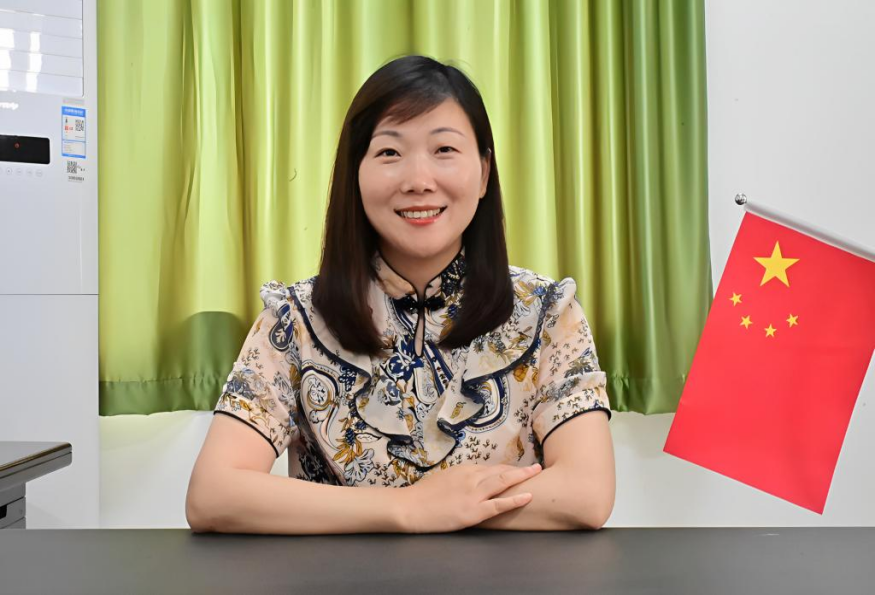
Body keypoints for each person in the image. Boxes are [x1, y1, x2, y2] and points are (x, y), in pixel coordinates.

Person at [186, 55, 615, 535]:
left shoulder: (547, 313)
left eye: (444, 149)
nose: (418, 181)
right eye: (390, 152)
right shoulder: (295, 319)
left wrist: (444, 510)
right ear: (355, 173)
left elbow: (586, 494)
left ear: (484, 172)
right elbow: (213, 494)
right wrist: (408, 508)